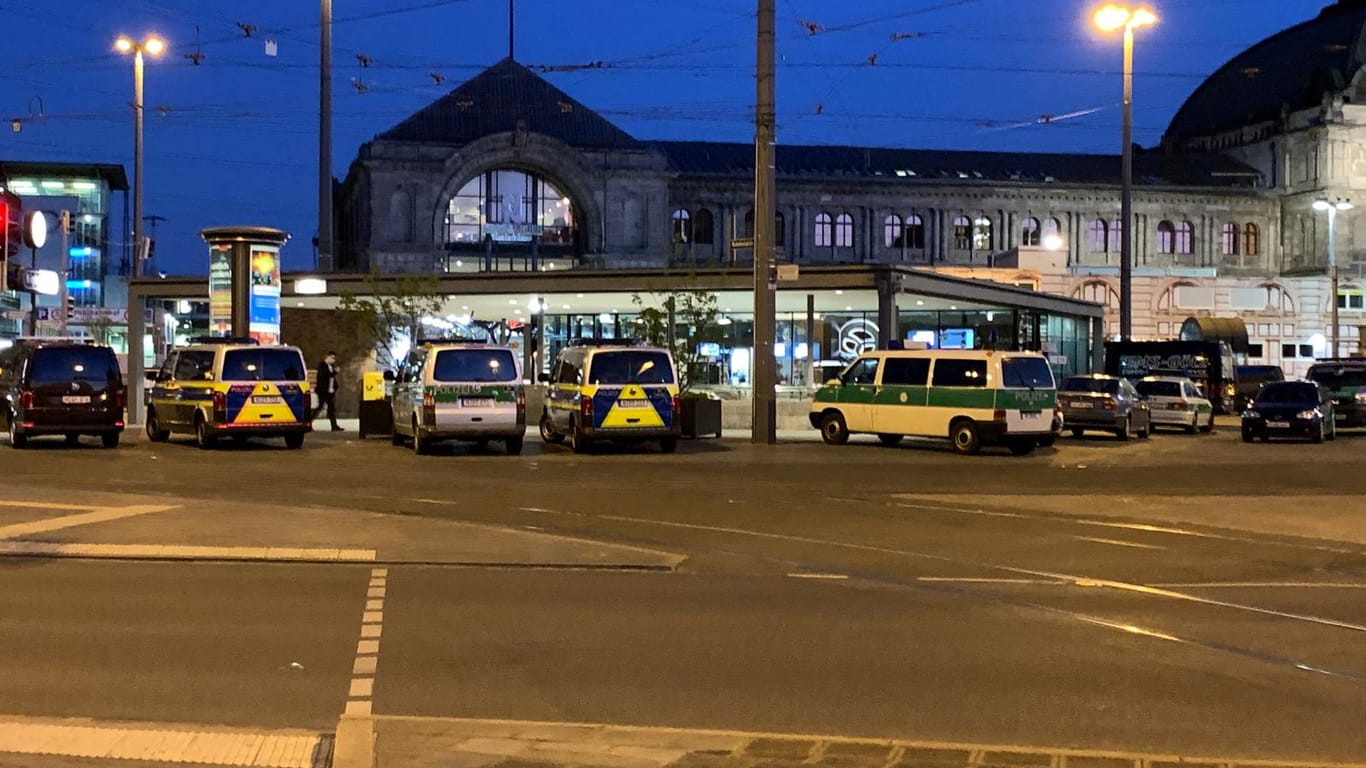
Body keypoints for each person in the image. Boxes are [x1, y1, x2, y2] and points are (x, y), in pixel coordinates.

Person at [314, 351, 343, 431]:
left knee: (331, 409)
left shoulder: (331, 366)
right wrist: (334, 372)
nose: (334, 360)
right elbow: (325, 376)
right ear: (328, 357)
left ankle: (334, 426)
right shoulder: (322, 365)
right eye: (332, 358)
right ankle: (309, 421)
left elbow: (332, 378)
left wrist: (335, 386)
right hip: (323, 391)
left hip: (330, 391)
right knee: (320, 407)